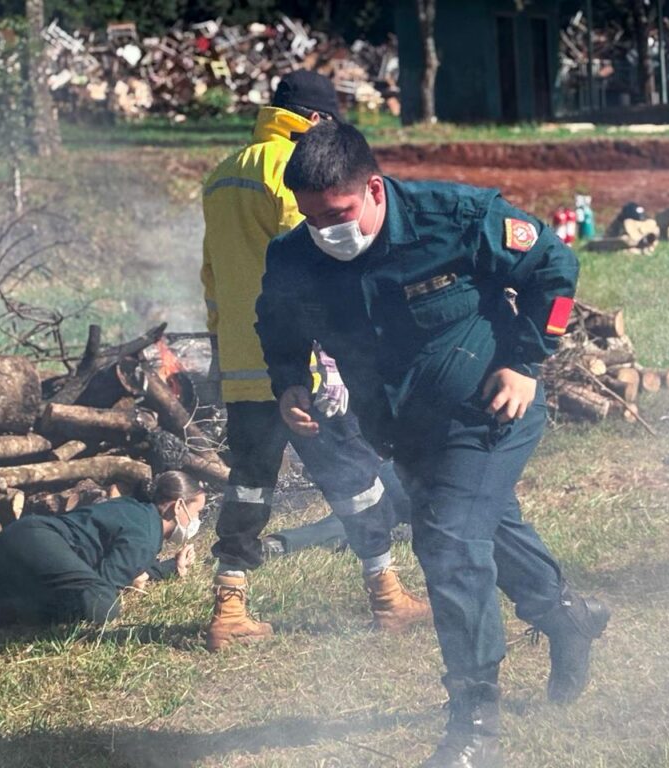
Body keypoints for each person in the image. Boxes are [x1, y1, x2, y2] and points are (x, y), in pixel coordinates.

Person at [256, 120, 611, 767]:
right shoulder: (294, 255)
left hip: (488, 411)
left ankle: (475, 727)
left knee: (449, 543)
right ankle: (568, 618)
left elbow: (555, 265)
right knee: (484, 527)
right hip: (404, 429)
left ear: (373, 188)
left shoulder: (453, 217)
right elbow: (276, 322)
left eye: (337, 214)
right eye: (311, 218)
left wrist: (526, 362)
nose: (325, 231)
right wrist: (289, 384)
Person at [200, 70, 429, 652]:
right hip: (300, 362)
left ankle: (229, 606)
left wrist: (222, 346)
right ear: (318, 119)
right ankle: (386, 596)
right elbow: (311, 266)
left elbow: (211, 272)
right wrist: (330, 356)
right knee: (353, 476)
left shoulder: (224, 173)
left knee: (249, 482)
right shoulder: (299, 172)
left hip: (244, 360)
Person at [0, 471, 203, 634]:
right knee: (104, 604)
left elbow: (133, 564)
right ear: (178, 505)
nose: (197, 520)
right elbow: (104, 583)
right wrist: (130, 583)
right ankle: (7, 611)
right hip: (44, 545)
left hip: (21, 534)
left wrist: (170, 567)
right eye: (197, 512)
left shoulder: (136, 509)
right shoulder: (147, 534)